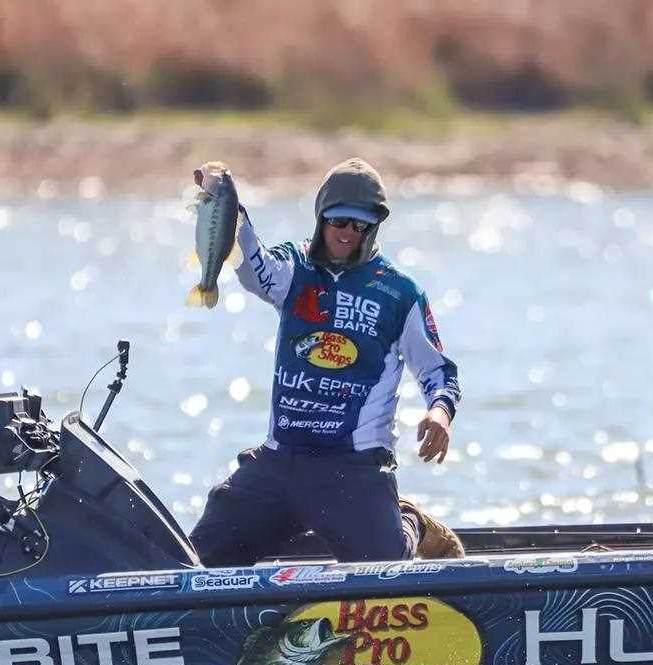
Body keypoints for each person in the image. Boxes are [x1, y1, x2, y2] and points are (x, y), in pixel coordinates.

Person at [190, 158, 463, 565]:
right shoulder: (295, 267)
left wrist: (439, 413)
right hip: (280, 459)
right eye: (339, 221)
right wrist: (227, 202)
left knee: (383, 569)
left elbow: (438, 371)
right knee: (202, 560)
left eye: (361, 226)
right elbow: (254, 268)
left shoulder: (400, 293)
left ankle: (410, 523)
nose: (349, 233)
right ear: (322, 218)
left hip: (354, 467)